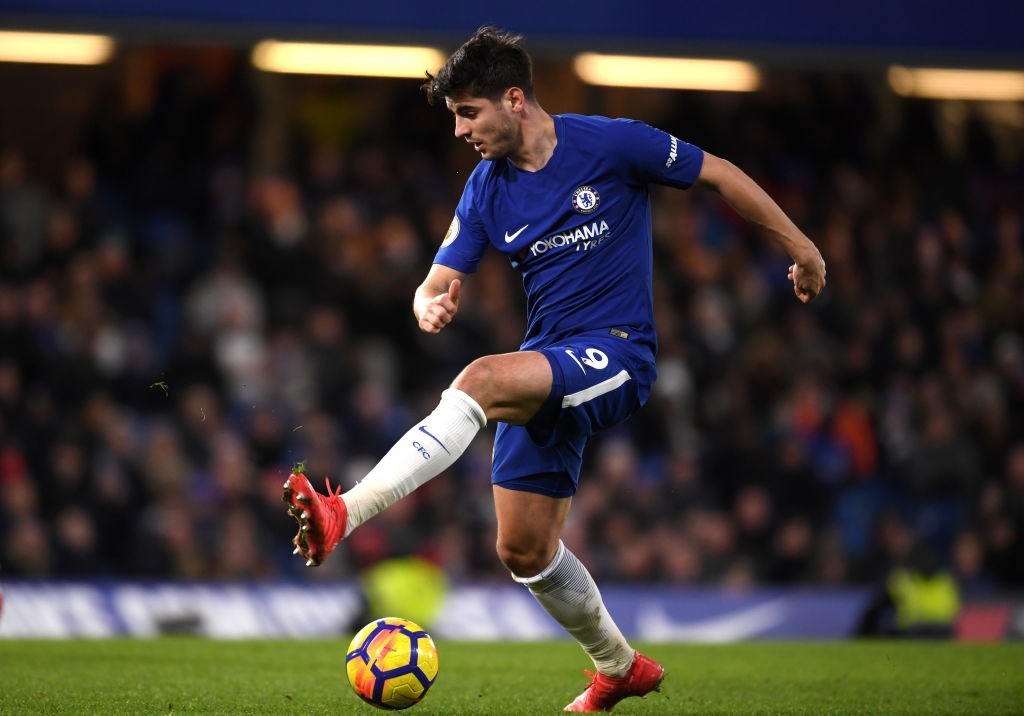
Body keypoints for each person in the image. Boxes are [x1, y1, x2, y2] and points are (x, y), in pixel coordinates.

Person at [284, 26, 826, 712]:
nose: (460, 131)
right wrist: (430, 302)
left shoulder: (613, 143)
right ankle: (618, 666)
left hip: (619, 352)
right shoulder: (486, 189)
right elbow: (436, 278)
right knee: (524, 550)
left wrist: (801, 247)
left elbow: (718, 173)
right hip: (548, 364)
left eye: (469, 113)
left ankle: (345, 511)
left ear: (515, 100)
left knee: (481, 380)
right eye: (455, 116)